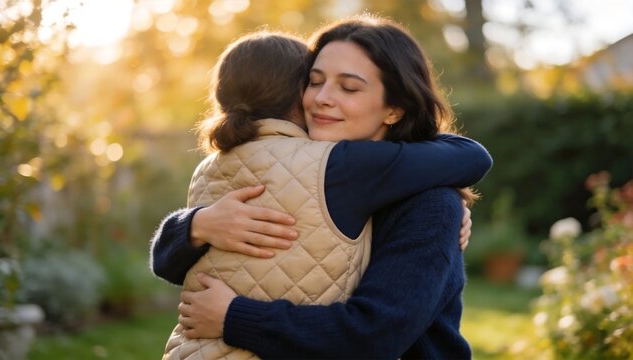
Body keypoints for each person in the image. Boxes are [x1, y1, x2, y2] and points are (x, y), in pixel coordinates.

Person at [153, 16, 492, 359]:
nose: (322, 99)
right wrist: (197, 225)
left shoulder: (428, 204)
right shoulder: (296, 171)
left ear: (393, 109)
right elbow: (172, 262)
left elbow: (373, 335)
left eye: (349, 88)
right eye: (314, 82)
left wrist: (233, 316)